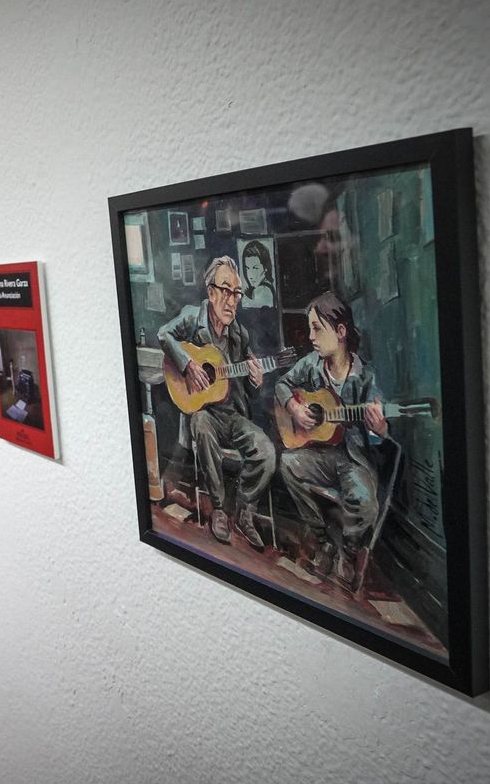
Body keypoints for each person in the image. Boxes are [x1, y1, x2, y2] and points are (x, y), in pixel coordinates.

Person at [158, 255, 276, 548]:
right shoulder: (191, 317)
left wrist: (254, 381)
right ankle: (219, 509)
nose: (232, 300)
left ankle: (246, 511)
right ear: (210, 292)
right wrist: (188, 365)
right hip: (204, 413)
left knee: (267, 451)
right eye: (226, 291)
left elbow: (247, 393)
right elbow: (164, 335)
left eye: (236, 293)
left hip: (233, 416)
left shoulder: (240, 336)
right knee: (200, 424)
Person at [275, 292, 388, 591]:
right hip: (319, 455)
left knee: (366, 502)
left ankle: (349, 552)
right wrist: (296, 409)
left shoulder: (366, 377)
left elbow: (378, 438)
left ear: (340, 332)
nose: (310, 336)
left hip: (354, 459)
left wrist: (379, 428)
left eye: (316, 329)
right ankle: (320, 537)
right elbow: (282, 384)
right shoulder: (311, 365)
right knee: (288, 463)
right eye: (310, 328)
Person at [241, 240, 276, 308]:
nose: (250, 275)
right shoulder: (265, 286)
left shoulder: (262, 290)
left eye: (255, 268)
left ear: (265, 268)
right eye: (247, 268)